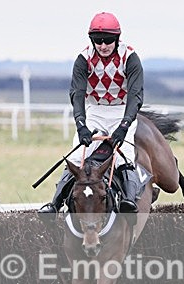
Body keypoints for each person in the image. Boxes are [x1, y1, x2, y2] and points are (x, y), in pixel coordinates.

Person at [39, 11, 144, 214]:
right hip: (94, 110)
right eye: (98, 41)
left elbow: (136, 95)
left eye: (108, 41)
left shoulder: (130, 58)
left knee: (125, 157)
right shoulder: (83, 59)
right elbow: (77, 94)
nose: (103, 46)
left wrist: (124, 126)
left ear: (117, 38)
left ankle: (129, 202)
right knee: (77, 158)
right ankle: (55, 204)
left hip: (123, 110)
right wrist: (81, 125)